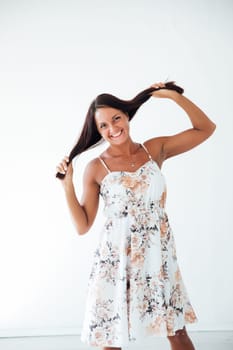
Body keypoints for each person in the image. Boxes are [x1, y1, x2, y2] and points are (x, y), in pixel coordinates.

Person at [56, 81, 216, 350]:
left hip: (158, 256)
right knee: (112, 338)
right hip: (116, 260)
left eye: (116, 118)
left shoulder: (154, 150)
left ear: (127, 116)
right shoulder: (96, 168)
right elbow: (83, 226)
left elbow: (206, 129)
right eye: (103, 126)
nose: (112, 128)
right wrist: (67, 186)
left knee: (176, 331)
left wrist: (173, 98)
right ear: (97, 131)